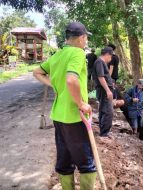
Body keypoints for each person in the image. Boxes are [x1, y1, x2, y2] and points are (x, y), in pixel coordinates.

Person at [33, 22, 96, 190]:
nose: (86, 40)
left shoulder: (57, 55)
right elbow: (71, 79)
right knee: (86, 162)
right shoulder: (77, 53)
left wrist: (54, 85)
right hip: (75, 116)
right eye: (86, 37)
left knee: (65, 159)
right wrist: (81, 103)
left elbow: (37, 72)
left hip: (58, 116)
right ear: (82, 38)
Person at [92, 47, 114, 137]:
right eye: (111, 56)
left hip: (104, 90)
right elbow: (101, 77)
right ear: (108, 54)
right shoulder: (100, 62)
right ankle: (104, 133)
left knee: (103, 109)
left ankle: (103, 131)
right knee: (108, 111)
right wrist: (108, 90)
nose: (111, 59)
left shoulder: (100, 62)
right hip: (104, 90)